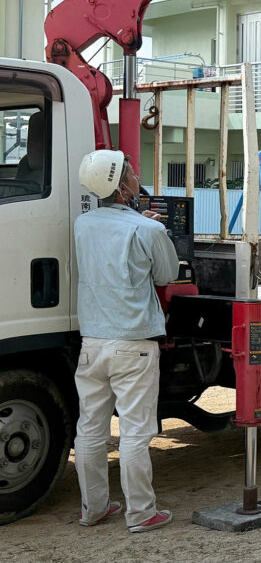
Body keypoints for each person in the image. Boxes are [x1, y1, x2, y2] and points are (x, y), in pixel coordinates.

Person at [74, 150, 180, 532]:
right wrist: (156, 228)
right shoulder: (147, 229)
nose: (137, 177)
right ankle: (141, 513)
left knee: (90, 429)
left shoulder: (81, 225)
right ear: (121, 186)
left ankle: (93, 509)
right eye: (132, 173)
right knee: (135, 432)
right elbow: (167, 274)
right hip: (134, 343)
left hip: (92, 344)